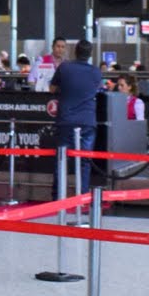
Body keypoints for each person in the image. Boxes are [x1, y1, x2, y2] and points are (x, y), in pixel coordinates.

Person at [47, 39, 105, 191]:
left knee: (61, 160)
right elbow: (97, 89)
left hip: (66, 120)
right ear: (90, 54)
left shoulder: (64, 67)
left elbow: (52, 89)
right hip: (87, 122)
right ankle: (82, 196)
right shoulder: (96, 72)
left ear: (75, 52)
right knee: (84, 161)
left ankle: (58, 197)